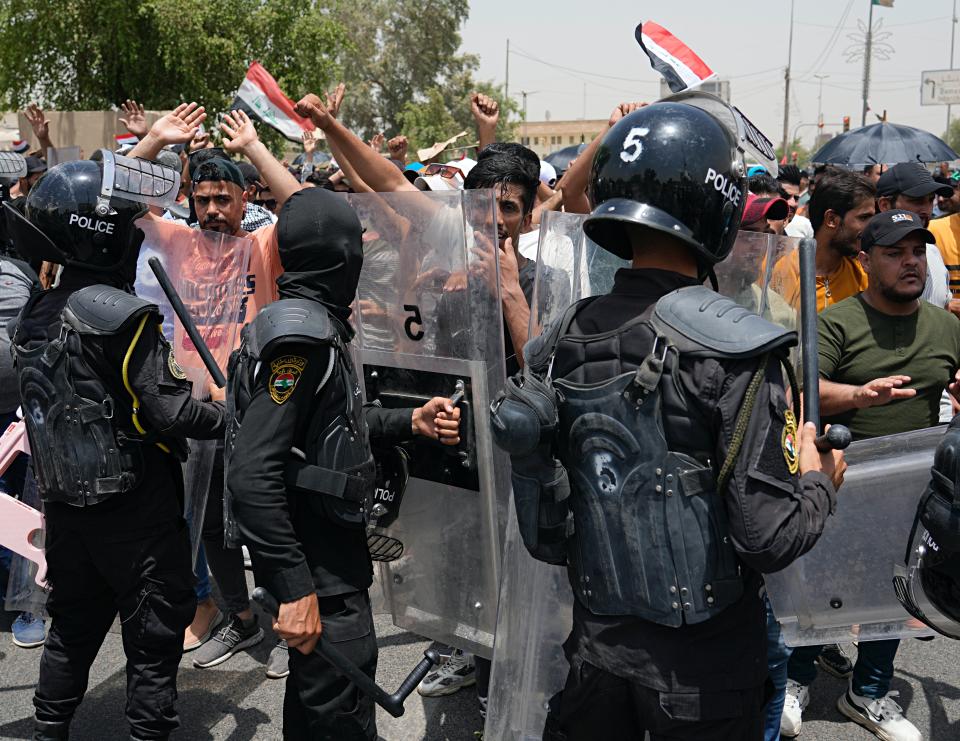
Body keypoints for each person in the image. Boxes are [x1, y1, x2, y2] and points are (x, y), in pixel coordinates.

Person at [491, 96, 844, 740]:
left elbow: (548, 529)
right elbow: (767, 539)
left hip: (594, 657)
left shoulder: (559, 339)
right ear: (715, 207)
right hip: (704, 678)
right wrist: (822, 481)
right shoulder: (736, 351)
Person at [226, 186, 461, 739]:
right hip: (320, 579)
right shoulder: (301, 341)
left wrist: (409, 421)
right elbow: (252, 471)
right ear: (344, 256)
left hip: (328, 564)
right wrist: (295, 587)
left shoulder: (312, 326)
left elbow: (331, 425)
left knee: (315, 712)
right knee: (339, 721)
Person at [5, 155, 225, 741]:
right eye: (129, 225)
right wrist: (227, 413)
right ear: (105, 237)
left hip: (68, 508)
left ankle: (49, 730)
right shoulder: (122, 317)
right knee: (154, 638)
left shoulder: (36, 311)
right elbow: (172, 411)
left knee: (72, 628)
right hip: (136, 511)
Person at [128, 106, 302, 673]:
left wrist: (253, 146)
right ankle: (242, 620)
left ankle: (286, 629)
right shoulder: (177, 240)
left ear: (245, 198)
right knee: (206, 524)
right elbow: (110, 201)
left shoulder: (262, 247)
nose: (211, 211)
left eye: (223, 199)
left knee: (265, 519)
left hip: (253, 408)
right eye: (202, 199)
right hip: (192, 411)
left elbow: (305, 207)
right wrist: (153, 139)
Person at [786, 209, 960, 741]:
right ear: (866, 260)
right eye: (894, 253)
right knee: (824, 583)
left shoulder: (947, 325)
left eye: (916, 252)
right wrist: (857, 395)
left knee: (897, 591)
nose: (910, 263)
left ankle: (868, 692)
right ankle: (796, 680)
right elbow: (802, 390)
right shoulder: (836, 321)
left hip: (913, 487)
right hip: (839, 479)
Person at [772, 167, 876, 311]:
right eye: (864, 217)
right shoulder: (780, 272)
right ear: (831, 219)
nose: (871, 227)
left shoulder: (864, 273)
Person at [875, 162, 953, 310]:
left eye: (930, 200)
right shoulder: (867, 263)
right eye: (917, 200)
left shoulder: (933, 252)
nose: (926, 209)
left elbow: (943, 305)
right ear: (885, 205)